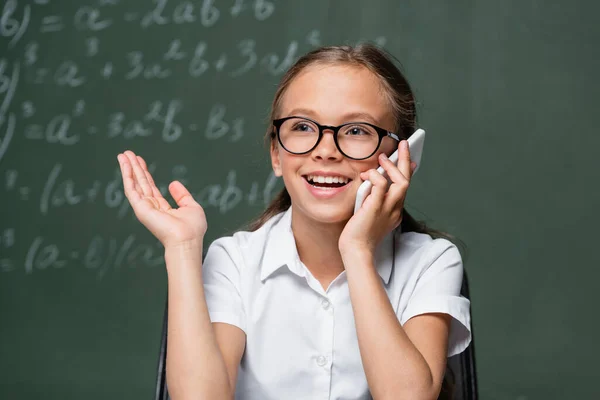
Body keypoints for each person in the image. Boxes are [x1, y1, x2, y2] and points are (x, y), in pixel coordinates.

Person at [117, 44, 471, 400]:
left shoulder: (432, 261)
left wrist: (358, 251)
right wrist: (182, 249)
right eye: (302, 126)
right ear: (276, 153)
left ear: (402, 157)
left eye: (357, 130)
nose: (325, 150)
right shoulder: (235, 261)